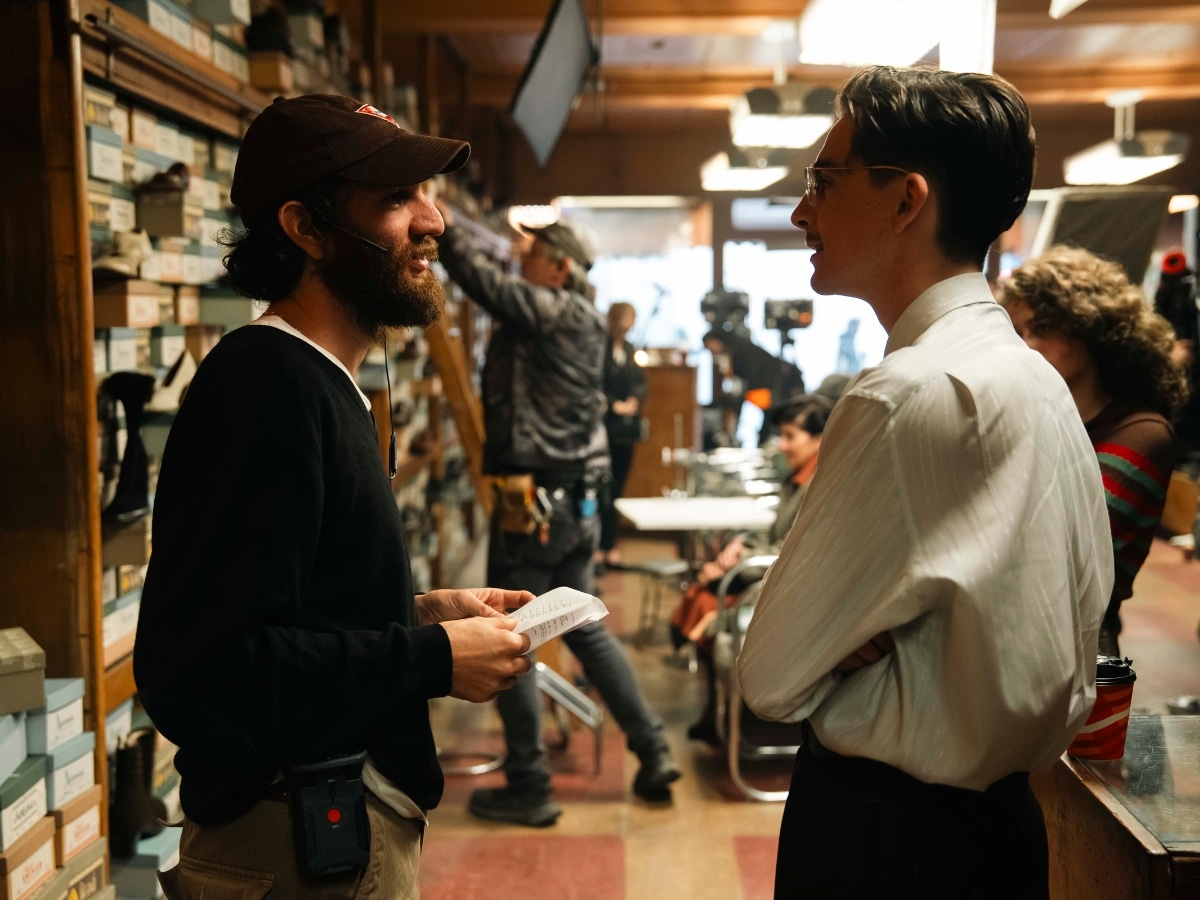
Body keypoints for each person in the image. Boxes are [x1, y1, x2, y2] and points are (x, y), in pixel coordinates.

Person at [134, 95, 535, 899]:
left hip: (332, 828)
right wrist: (431, 659)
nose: (435, 223)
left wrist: (412, 613)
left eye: (427, 194)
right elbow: (203, 665)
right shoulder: (265, 385)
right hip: (294, 843)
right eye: (396, 199)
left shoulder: (320, 381)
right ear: (307, 229)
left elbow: (282, 609)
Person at [736, 66, 1112, 899]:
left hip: (883, 835)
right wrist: (855, 636)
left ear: (906, 201)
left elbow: (770, 672)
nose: (802, 212)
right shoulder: (1033, 375)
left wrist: (850, 640)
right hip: (1002, 829)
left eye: (822, 182)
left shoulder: (904, 396)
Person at [435, 210, 680, 827]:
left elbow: (485, 285)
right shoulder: (585, 318)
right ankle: (651, 748)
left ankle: (529, 782)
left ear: (560, 266)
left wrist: (443, 219)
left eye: (534, 252)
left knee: (508, 630)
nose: (522, 260)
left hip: (540, 500)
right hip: (576, 497)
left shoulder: (554, 309)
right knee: (586, 623)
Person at [1000, 245, 1187, 658]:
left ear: (1087, 325)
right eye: (1018, 331)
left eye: (1041, 327)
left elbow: (1058, 547)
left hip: (1078, 653)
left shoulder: (1142, 433)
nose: (1027, 345)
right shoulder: (1038, 415)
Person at [672, 396, 833, 744]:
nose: (782, 444)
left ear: (819, 439)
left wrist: (736, 564)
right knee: (704, 593)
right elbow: (774, 532)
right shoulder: (799, 478)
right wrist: (741, 544)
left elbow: (789, 552)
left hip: (784, 586)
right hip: (765, 573)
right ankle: (718, 711)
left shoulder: (820, 485)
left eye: (791, 436)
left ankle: (727, 716)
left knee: (707, 599)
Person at [597, 301, 646, 571]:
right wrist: (612, 403)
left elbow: (640, 382)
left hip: (624, 432)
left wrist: (633, 401)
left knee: (617, 490)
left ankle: (609, 544)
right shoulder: (599, 348)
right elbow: (594, 382)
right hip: (604, 427)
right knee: (602, 489)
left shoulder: (629, 349)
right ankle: (598, 547)